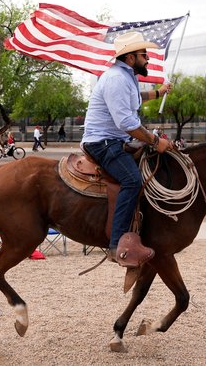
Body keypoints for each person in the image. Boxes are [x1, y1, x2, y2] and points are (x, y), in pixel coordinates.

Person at [81, 31, 174, 268]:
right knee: (132, 180)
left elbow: (135, 99)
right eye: (144, 55)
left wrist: (159, 93)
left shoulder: (127, 77)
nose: (148, 59)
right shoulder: (116, 79)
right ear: (131, 58)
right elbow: (127, 124)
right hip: (102, 142)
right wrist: (155, 141)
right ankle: (117, 244)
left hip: (114, 139)